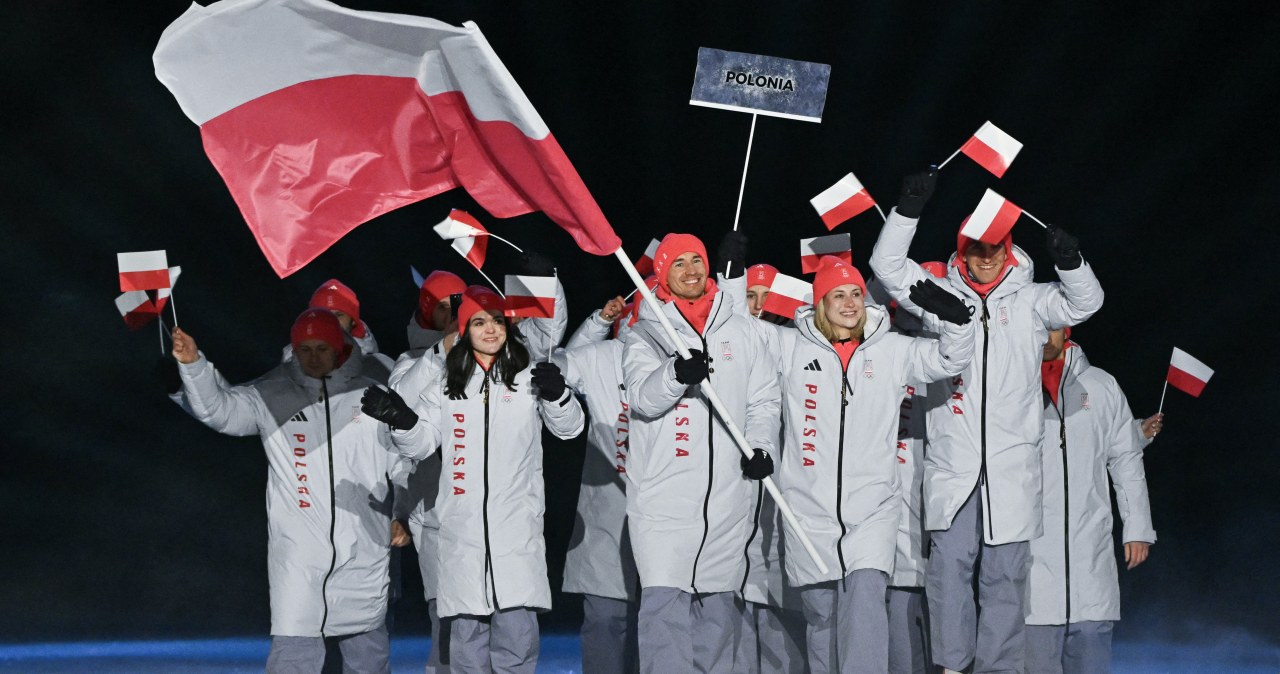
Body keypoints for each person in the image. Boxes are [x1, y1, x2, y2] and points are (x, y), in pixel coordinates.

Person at [868, 169, 1105, 673]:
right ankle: (952, 667)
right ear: (961, 251)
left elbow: (1088, 302)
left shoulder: (1032, 300)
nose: (986, 255)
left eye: (995, 246)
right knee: (950, 571)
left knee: (1005, 577)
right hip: (955, 464)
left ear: (1008, 247)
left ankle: (998, 669)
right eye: (976, 247)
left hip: (1011, 468)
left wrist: (1071, 262)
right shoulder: (940, 297)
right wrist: (908, 208)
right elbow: (887, 266)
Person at [361, 287, 584, 674]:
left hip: (515, 531)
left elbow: (570, 429)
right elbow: (421, 444)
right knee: (465, 647)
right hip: (462, 534)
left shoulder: (529, 372)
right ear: (463, 330)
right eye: (479, 321)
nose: (491, 329)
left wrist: (558, 396)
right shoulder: (448, 381)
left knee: (517, 643)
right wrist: (404, 422)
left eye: (498, 320)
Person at [171, 309, 407, 674]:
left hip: (364, 544)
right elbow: (220, 411)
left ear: (340, 347)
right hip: (299, 555)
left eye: (322, 348)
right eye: (305, 349)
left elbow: (401, 460)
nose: (313, 357)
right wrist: (194, 365)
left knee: (368, 654)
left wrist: (400, 513)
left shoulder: (373, 390)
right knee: (294, 652)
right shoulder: (272, 392)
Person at [773, 257, 973, 674]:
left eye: (856, 295)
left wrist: (957, 322)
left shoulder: (892, 349)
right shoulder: (790, 346)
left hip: (872, 509)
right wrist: (734, 278)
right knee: (823, 617)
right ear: (820, 302)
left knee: (864, 605)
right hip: (808, 510)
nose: (850, 303)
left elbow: (947, 361)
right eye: (838, 295)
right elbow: (740, 335)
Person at [621, 232, 782, 674]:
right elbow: (642, 398)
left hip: (728, 497)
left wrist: (761, 447)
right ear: (662, 274)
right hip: (664, 499)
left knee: (717, 615)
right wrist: (676, 373)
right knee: (663, 610)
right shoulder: (647, 333)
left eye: (698, 260)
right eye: (680, 264)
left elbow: (764, 400)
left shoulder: (741, 327)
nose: (692, 270)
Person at [1025, 328, 1157, 673]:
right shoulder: (1012, 382)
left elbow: (1126, 458)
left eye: (1050, 327)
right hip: (1033, 568)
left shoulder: (1101, 385)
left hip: (1090, 562)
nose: (1042, 336)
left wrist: (1138, 528)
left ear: (1065, 331)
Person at [553, 295, 640, 673]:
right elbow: (558, 365)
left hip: (671, 512)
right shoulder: (605, 356)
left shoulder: (687, 358)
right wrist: (597, 322)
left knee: (659, 624)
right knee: (607, 618)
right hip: (608, 511)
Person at [393, 269, 467, 673]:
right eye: (442, 306)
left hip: (484, 510)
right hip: (434, 510)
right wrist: (400, 511)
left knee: (492, 616)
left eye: (458, 302)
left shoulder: (489, 354)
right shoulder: (409, 362)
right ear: (426, 313)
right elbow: (401, 416)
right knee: (447, 617)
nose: (453, 311)